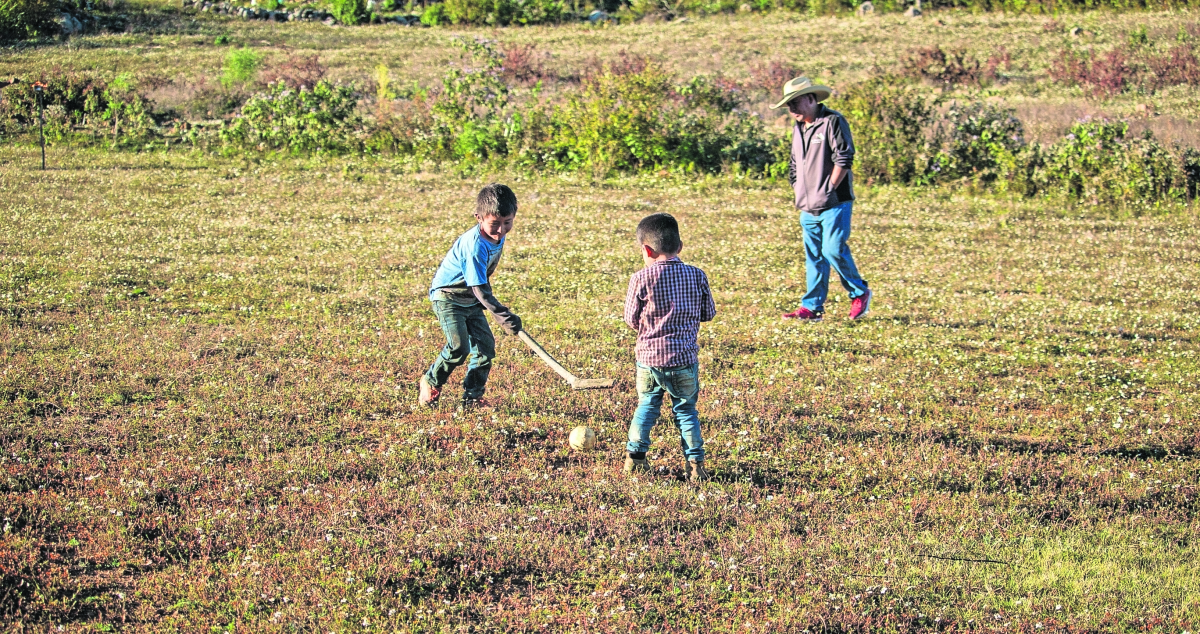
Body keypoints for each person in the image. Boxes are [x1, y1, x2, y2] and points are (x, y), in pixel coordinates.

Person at [622, 213, 716, 484]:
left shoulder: (640, 278)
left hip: (649, 359)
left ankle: (636, 458)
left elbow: (631, 319)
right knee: (686, 410)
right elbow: (708, 313)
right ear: (680, 246)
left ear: (647, 250)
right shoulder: (697, 275)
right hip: (684, 359)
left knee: (647, 405)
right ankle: (696, 464)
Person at [774, 76, 872, 322]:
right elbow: (795, 163)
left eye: (795, 102)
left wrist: (828, 188)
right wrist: (797, 187)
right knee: (814, 257)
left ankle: (859, 292)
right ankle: (812, 308)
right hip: (806, 207)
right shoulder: (798, 128)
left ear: (810, 98)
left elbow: (844, 158)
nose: (792, 109)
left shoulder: (833, 121)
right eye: (788, 105)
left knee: (833, 250)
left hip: (835, 203)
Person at [418, 183, 522, 407]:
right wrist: (502, 315)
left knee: (485, 349)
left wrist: (498, 311)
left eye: (507, 223)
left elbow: (480, 286)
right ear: (479, 217)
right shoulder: (475, 245)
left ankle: (472, 398)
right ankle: (431, 382)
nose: (501, 230)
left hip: (471, 298)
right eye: (495, 224)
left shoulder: (497, 236)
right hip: (448, 297)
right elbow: (480, 287)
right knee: (459, 347)